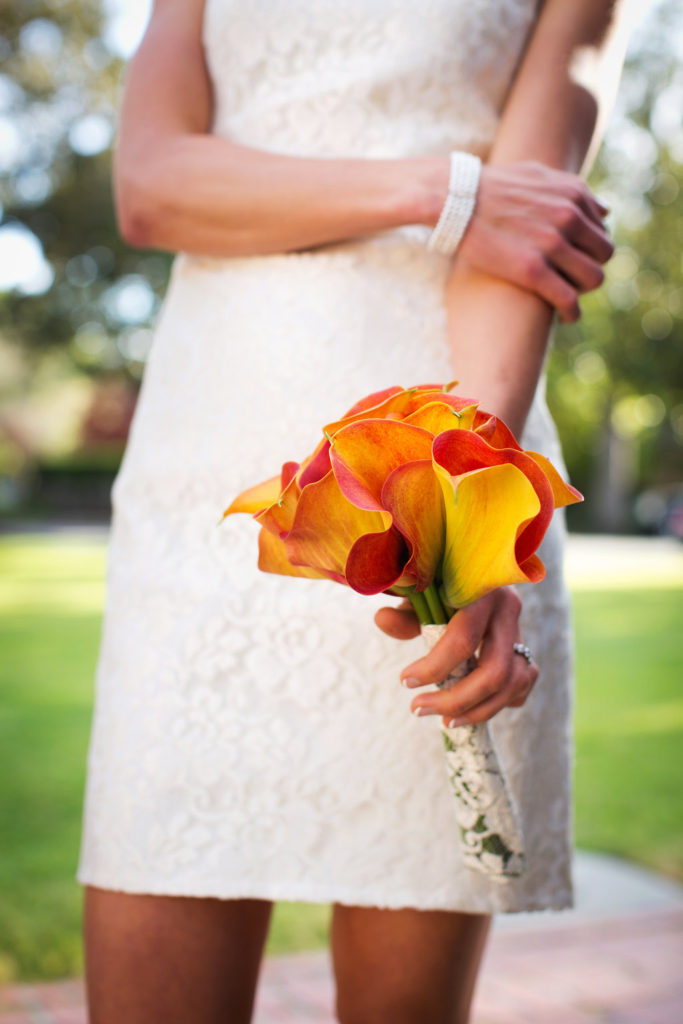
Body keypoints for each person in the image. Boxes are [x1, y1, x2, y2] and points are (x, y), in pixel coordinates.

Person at [78, 1, 629, 1021]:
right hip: (208, 465)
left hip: (441, 437)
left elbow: (527, 235)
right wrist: (446, 188)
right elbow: (151, 186)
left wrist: (469, 520)